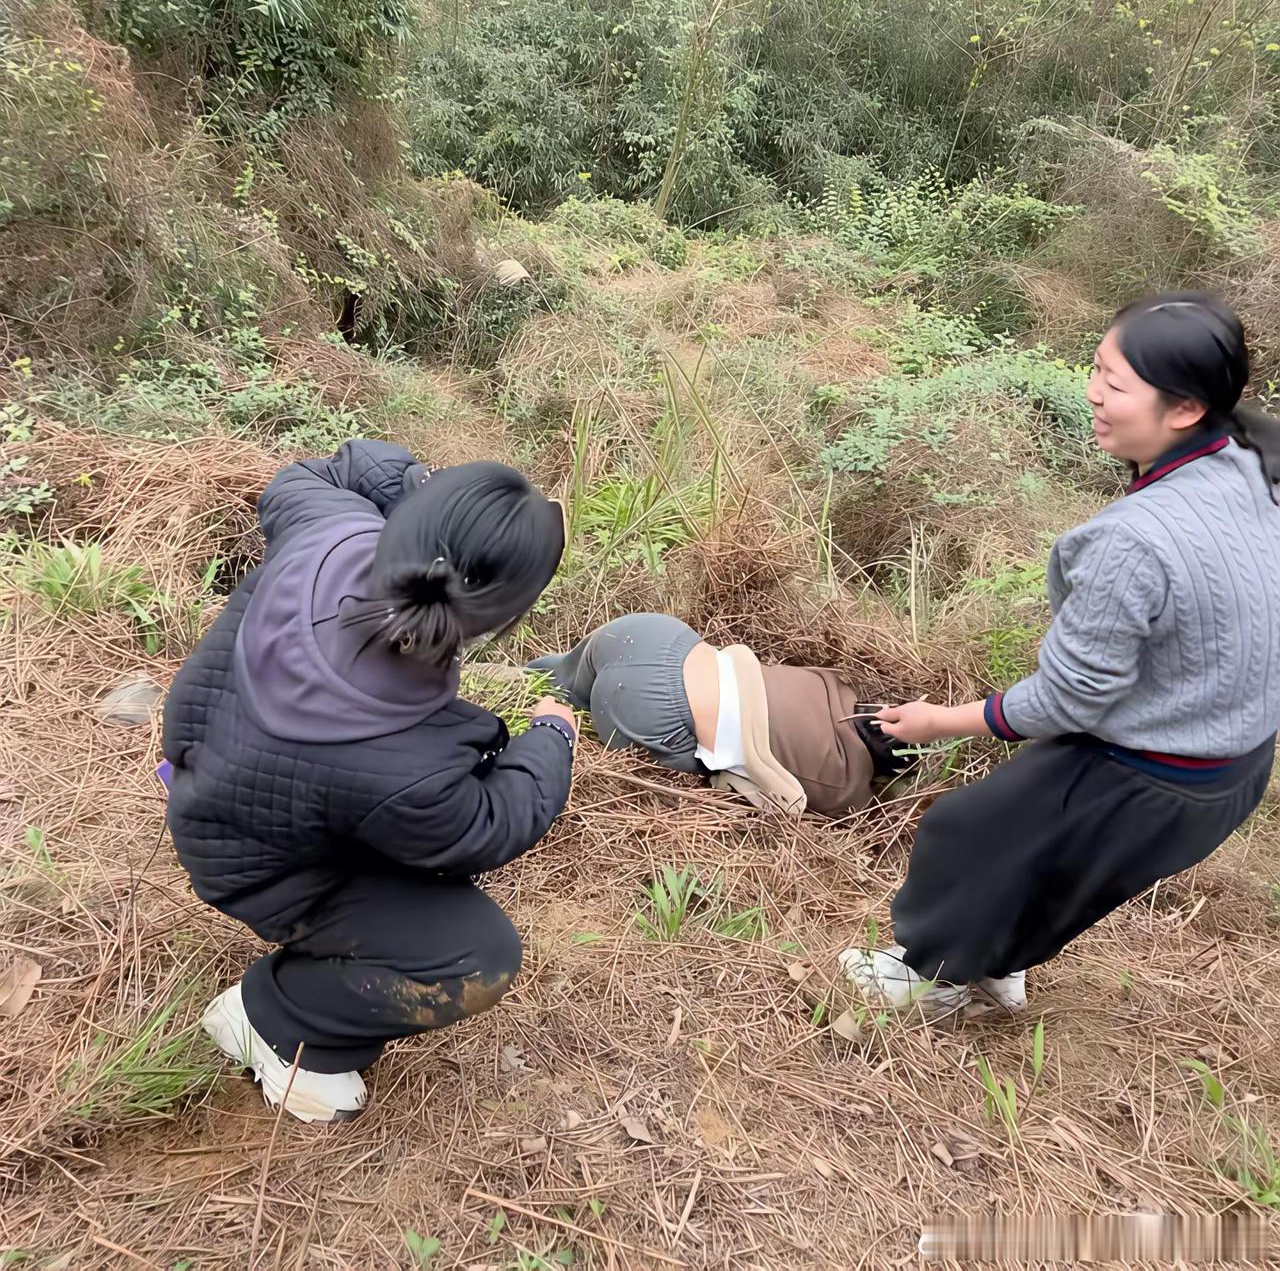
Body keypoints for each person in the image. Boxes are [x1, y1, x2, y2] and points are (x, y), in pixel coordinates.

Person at [838, 292, 1280, 1018]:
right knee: (1053, 866)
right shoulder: (1250, 459)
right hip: (1234, 762)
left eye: (1117, 383)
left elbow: (1071, 697)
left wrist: (938, 721)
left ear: (1186, 408)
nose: (1093, 393)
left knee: (967, 835)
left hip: (1159, 768)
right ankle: (995, 966)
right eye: (1096, 368)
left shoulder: (1130, 542)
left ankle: (925, 982)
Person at [163, 440, 574, 1123]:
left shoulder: (329, 529)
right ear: (502, 619)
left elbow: (320, 471)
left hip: (209, 775)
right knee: (479, 956)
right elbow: (491, 823)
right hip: (255, 863)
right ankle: (273, 1020)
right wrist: (552, 737)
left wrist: (415, 482)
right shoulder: (415, 764)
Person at [526, 615, 909, 816]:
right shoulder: (846, 788)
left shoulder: (833, 684)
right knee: (683, 765)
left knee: (550, 678)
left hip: (658, 636)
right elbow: (785, 805)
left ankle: (496, 677)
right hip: (656, 707)